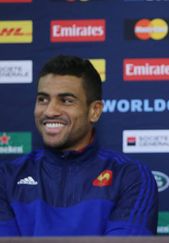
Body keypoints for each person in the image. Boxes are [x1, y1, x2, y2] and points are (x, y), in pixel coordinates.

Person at [0, 55, 158, 236]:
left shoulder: (130, 176)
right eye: (43, 99)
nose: (50, 111)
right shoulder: (6, 178)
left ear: (94, 111)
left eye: (66, 100)